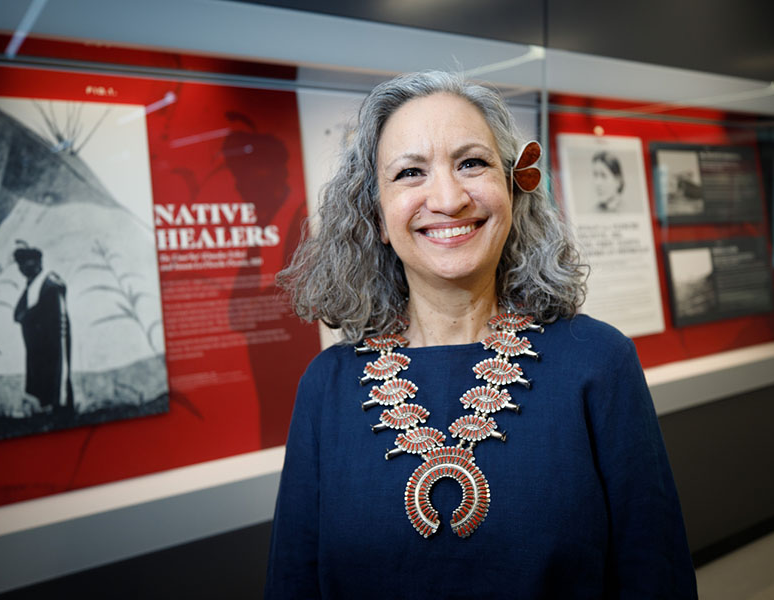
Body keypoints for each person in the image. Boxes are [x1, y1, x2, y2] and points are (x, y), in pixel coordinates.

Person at [266, 71, 696, 598]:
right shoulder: (325, 386)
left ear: (514, 190)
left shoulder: (599, 362)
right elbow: (292, 582)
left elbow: (656, 575)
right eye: (409, 173)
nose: (448, 198)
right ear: (376, 214)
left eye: (472, 163)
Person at [13, 243, 74, 416]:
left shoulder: (50, 283)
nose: (24, 267)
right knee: (37, 371)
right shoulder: (32, 285)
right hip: (37, 343)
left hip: (52, 340)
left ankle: (58, 404)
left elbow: (53, 313)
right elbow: (18, 313)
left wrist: (30, 316)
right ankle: (41, 403)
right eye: (21, 263)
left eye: (28, 261)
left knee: (55, 370)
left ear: (39, 262)